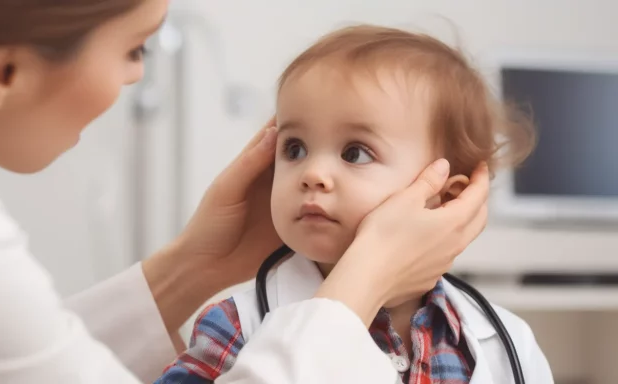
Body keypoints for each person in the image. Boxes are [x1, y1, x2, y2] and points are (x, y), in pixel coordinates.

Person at [0, 1, 489, 383]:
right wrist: (362, 281)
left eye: (356, 153)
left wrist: (197, 263)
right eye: (135, 49)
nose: (136, 78)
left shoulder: (493, 334)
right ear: (2, 72)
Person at [157, 25, 554, 384]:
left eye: (355, 153)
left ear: (447, 197)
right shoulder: (237, 325)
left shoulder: (506, 341)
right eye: (294, 148)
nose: (312, 173)